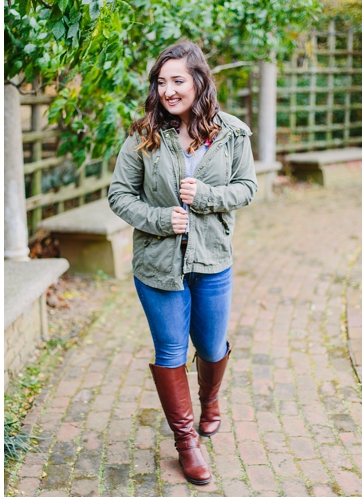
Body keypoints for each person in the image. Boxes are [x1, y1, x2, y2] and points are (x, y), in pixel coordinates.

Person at [108, 41, 257, 485]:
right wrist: (158, 218)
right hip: (158, 267)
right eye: (161, 81)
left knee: (211, 347)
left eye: (178, 80)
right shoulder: (144, 134)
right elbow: (119, 194)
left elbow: (246, 188)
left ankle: (210, 401)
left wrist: (207, 197)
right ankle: (186, 441)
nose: (169, 90)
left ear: (198, 81)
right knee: (170, 351)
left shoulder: (232, 133)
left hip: (212, 262)